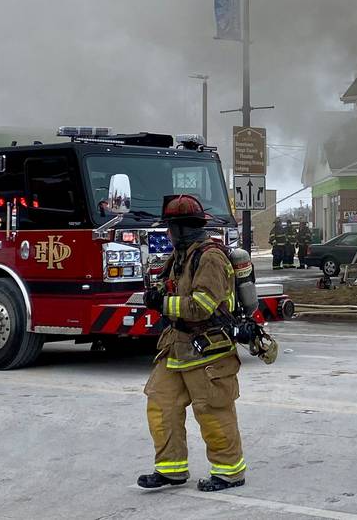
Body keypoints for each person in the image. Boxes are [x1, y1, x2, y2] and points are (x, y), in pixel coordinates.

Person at [137, 194, 247, 492]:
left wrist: (164, 303)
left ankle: (229, 472)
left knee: (212, 410)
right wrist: (156, 292)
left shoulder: (210, 257)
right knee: (161, 403)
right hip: (176, 344)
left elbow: (202, 305)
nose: (169, 234)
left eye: (171, 228)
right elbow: (169, 285)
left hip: (208, 348)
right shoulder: (181, 255)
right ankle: (171, 469)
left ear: (182, 228)